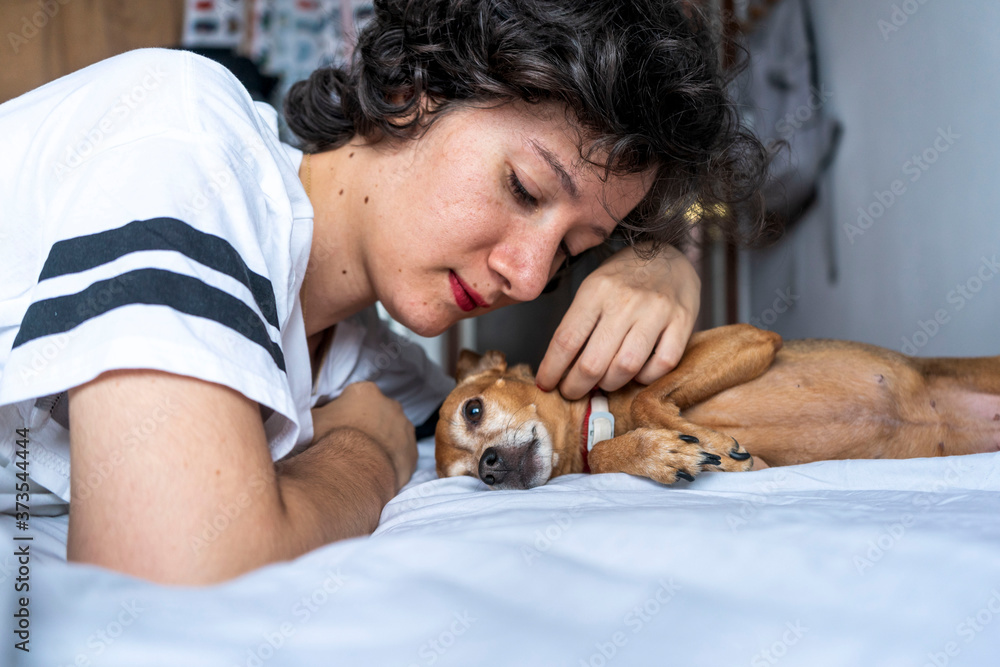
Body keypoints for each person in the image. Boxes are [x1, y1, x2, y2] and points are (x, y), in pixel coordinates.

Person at [0, 0, 767, 584]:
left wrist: (662, 266)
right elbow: (169, 576)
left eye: (574, 248)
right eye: (525, 188)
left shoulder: (373, 369)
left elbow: (543, 428)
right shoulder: (187, 134)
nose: (531, 276)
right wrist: (364, 450)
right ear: (414, 87)